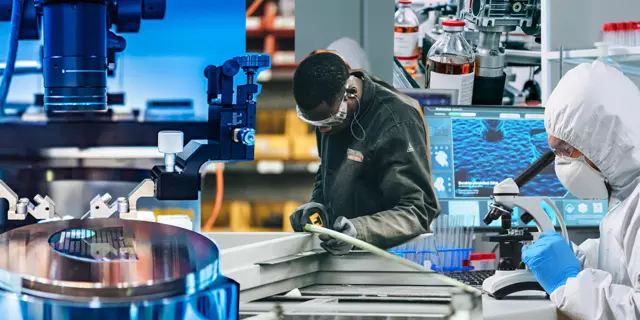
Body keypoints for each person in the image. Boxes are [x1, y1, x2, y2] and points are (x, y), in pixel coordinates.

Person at [288, 51, 441, 255]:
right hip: (345, 255)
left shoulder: (397, 122)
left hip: (390, 259)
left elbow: (417, 211)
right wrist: (318, 204)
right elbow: (328, 166)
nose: (323, 131)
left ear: (350, 93)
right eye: (317, 124)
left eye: (329, 122)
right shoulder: (329, 113)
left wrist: (359, 231)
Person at [521, 60, 640, 319]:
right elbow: (624, 263)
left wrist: (567, 284)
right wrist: (581, 260)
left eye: (566, 149)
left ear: (603, 139)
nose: (562, 161)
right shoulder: (627, 190)